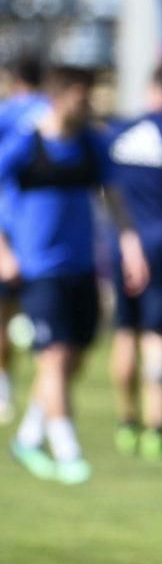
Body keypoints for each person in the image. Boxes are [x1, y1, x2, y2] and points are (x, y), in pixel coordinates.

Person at [0, 65, 148, 484]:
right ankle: (68, 452)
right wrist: (4, 251)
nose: (88, 105)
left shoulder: (90, 144)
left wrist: (131, 246)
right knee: (55, 357)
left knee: (72, 361)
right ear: (60, 96)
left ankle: (28, 438)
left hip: (82, 267)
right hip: (38, 268)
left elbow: (115, 200)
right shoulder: (25, 146)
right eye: (82, 97)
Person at [106, 64, 162, 458]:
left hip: (122, 245)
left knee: (125, 333)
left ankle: (127, 422)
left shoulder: (118, 134)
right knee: (157, 339)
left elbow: (107, 190)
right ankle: (156, 429)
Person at [0, 53, 48, 423]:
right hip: (44, 230)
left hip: (8, 228)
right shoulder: (52, 112)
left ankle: (4, 389)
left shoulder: (6, 115)